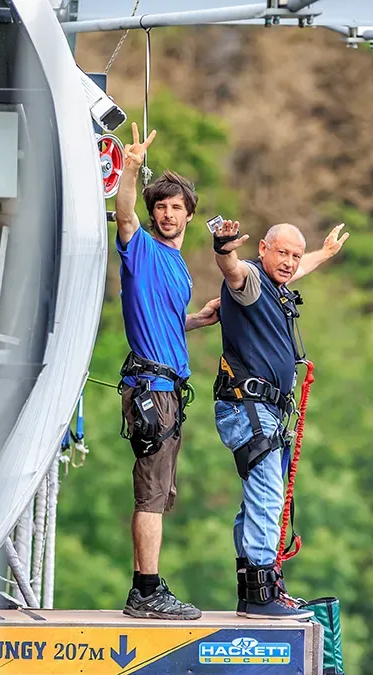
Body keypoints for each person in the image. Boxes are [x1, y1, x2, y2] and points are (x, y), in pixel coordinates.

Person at [210, 217, 348, 619]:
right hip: (249, 407)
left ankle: (252, 587)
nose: (290, 262)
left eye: (295, 255)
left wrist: (324, 253)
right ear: (263, 250)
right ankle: (260, 592)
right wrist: (224, 248)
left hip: (265, 410)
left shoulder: (277, 284)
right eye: (282, 252)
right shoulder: (251, 280)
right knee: (268, 495)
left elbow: (298, 266)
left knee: (259, 496)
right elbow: (232, 270)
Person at [114, 123, 221, 620]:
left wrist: (197, 320)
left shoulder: (178, 268)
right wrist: (131, 170)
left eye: (176, 207)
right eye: (161, 207)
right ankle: (147, 590)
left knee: (159, 492)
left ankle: (147, 586)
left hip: (167, 389)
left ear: (189, 215)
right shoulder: (141, 249)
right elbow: (124, 216)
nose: (168, 213)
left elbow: (165, 321)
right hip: (152, 389)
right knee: (151, 494)